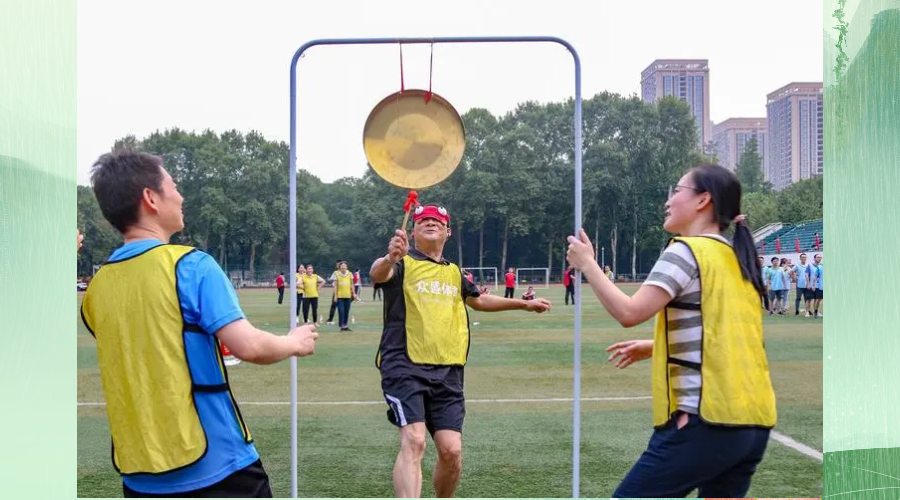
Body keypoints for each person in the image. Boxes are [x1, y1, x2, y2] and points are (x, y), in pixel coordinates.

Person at [80, 149, 319, 498]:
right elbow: (247, 346)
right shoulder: (191, 266)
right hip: (218, 464)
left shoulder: (96, 288)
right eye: (173, 186)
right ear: (151, 198)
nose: (181, 196)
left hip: (139, 472)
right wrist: (293, 342)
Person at [567, 165, 776, 498]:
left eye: (676, 191)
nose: (668, 201)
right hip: (754, 423)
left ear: (702, 200)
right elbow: (729, 334)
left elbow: (629, 312)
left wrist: (587, 264)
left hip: (704, 419)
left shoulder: (685, 250)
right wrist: (656, 345)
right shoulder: (736, 258)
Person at [369, 203, 551, 498]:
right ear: (413, 231)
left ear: (448, 232)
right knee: (414, 440)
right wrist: (390, 257)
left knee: (451, 451)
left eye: (437, 221)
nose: (430, 223)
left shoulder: (454, 273)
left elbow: (478, 300)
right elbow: (378, 274)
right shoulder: (401, 263)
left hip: (448, 370)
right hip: (405, 365)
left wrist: (524, 303)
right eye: (423, 220)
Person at [334, 261, 358, 331]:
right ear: (340, 267)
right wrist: (335, 295)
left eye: (345, 266)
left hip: (348, 296)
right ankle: (342, 325)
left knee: (346, 311)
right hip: (340, 296)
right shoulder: (337, 274)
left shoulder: (350, 274)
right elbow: (335, 286)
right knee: (341, 311)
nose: (343, 267)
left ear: (347, 267)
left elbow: (352, 285)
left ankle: (345, 325)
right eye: (342, 266)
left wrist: (354, 294)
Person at [326, 260, 341, 325]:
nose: (337, 266)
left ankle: (342, 320)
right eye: (337, 265)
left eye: (338, 264)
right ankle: (330, 319)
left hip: (343, 291)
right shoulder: (335, 272)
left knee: (341, 306)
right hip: (335, 291)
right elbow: (331, 280)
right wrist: (328, 280)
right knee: (333, 306)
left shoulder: (346, 272)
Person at [809, 253, 823, 318]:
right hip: (821, 286)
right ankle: (816, 311)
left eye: (820, 257)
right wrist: (813, 285)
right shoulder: (819, 267)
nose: (820, 258)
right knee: (818, 299)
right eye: (818, 257)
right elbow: (815, 276)